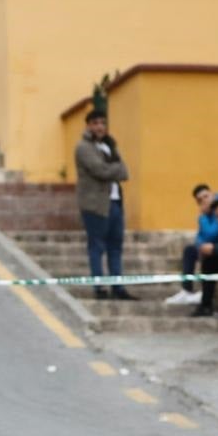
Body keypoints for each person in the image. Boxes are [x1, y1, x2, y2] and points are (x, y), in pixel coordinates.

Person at [70, 108, 132, 301]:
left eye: (103, 123)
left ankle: (118, 286)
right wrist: (115, 169)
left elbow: (125, 172)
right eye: (95, 123)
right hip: (95, 204)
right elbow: (100, 170)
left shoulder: (110, 146)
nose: (100, 127)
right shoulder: (83, 147)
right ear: (88, 125)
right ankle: (99, 286)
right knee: (97, 246)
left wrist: (113, 168)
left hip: (115, 202)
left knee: (115, 246)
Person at [167, 185, 218, 306]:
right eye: (200, 200)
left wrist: (202, 217)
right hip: (208, 247)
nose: (204, 201)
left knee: (207, 255)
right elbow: (200, 237)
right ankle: (187, 290)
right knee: (190, 250)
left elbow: (213, 233)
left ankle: (207, 295)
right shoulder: (205, 215)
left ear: (212, 194)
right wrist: (200, 246)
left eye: (206, 196)